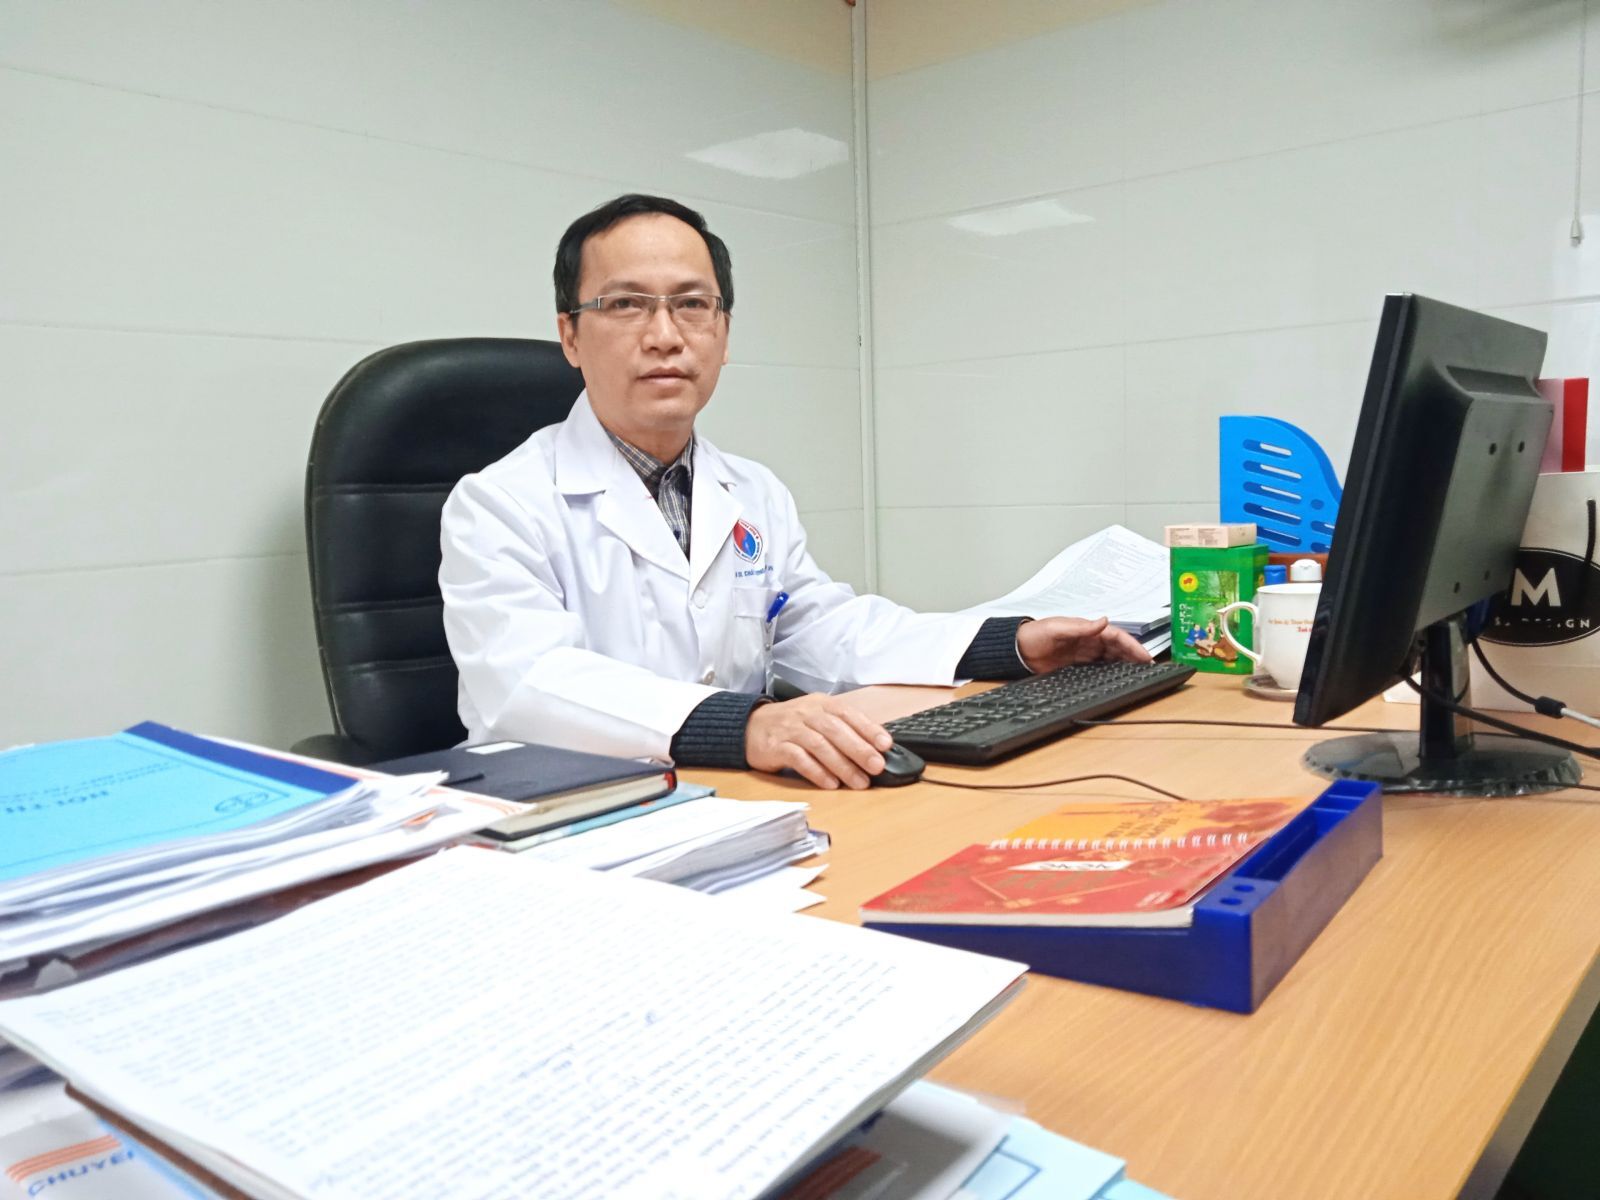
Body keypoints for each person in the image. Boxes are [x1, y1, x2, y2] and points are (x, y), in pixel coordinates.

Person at [440, 194, 1149, 789]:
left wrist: (1010, 645)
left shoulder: (753, 490)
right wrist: (741, 724)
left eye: (692, 304)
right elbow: (525, 684)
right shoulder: (499, 503)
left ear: (723, 334)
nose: (664, 335)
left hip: (731, 801)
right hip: (567, 814)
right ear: (569, 335)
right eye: (626, 304)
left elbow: (820, 630)